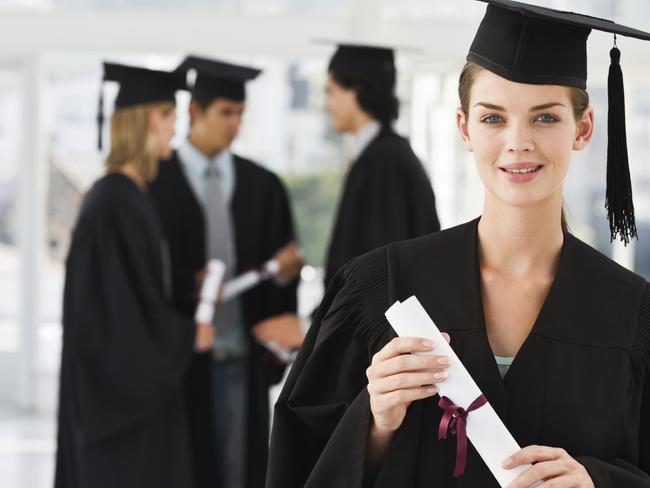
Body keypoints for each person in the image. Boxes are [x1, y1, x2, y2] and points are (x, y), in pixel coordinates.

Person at [267, 1, 650, 486]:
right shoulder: (381, 289)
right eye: (493, 118)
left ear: (584, 128)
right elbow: (299, 463)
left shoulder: (631, 312)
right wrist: (378, 420)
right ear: (465, 127)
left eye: (546, 118)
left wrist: (598, 481)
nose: (518, 141)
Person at [54, 62, 214, 488]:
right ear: (150, 119)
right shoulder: (113, 203)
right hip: (118, 406)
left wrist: (184, 287)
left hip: (128, 396)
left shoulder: (127, 196)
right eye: (172, 120)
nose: (175, 133)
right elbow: (116, 318)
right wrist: (187, 335)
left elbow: (134, 292)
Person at [149, 55, 302, 488]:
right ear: (194, 111)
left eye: (240, 114)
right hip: (177, 360)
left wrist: (287, 274)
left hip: (240, 357)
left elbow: (280, 276)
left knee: (239, 470)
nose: (235, 124)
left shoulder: (263, 185)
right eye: (226, 113)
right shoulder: (155, 184)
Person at [323, 43, 440, 288]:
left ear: (355, 92)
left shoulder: (384, 163)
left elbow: (379, 265)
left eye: (331, 91)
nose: (327, 104)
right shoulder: (383, 155)